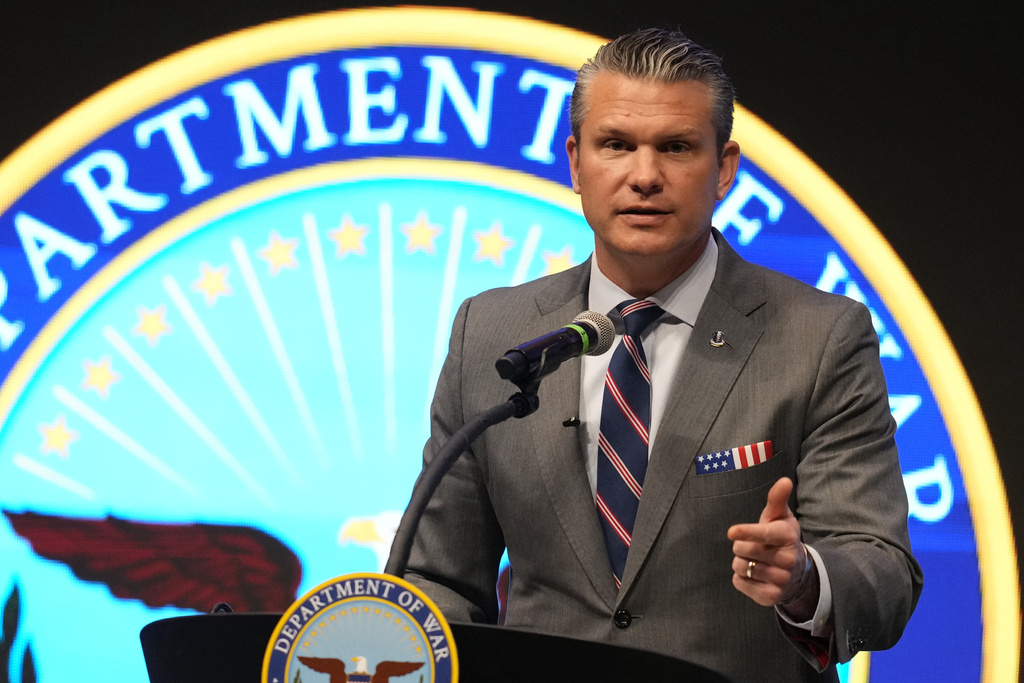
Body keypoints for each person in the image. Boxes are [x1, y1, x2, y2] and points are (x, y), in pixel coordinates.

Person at [403, 28, 922, 683]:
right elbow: (438, 576)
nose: (643, 176)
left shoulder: (819, 337)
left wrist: (804, 579)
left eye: (675, 148)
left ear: (724, 167)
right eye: (616, 145)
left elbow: (882, 569)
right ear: (575, 161)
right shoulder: (493, 332)